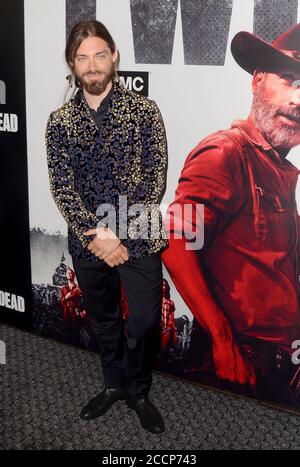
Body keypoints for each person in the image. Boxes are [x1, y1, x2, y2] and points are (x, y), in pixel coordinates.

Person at [162, 23, 300, 406]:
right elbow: (174, 242)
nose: (298, 99)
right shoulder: (226, 153)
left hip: (281, 366)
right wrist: (223, 343)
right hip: (235, 362)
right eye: (288, 79)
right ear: (257, 81)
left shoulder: (278, 170)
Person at [46, 20, 168, 433]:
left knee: (146, 321)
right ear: (72, 64)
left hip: (137, 238)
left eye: (100, 55)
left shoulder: (145, 112)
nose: (92, 65)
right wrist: (97, 237)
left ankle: (138, 390)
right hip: (90, 243)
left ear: (114, 56)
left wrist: (121, 237)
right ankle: (114, 384)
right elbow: (62, 188)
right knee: (103, 320)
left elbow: (153, 180)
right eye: (82, 58)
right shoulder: (59, 122)